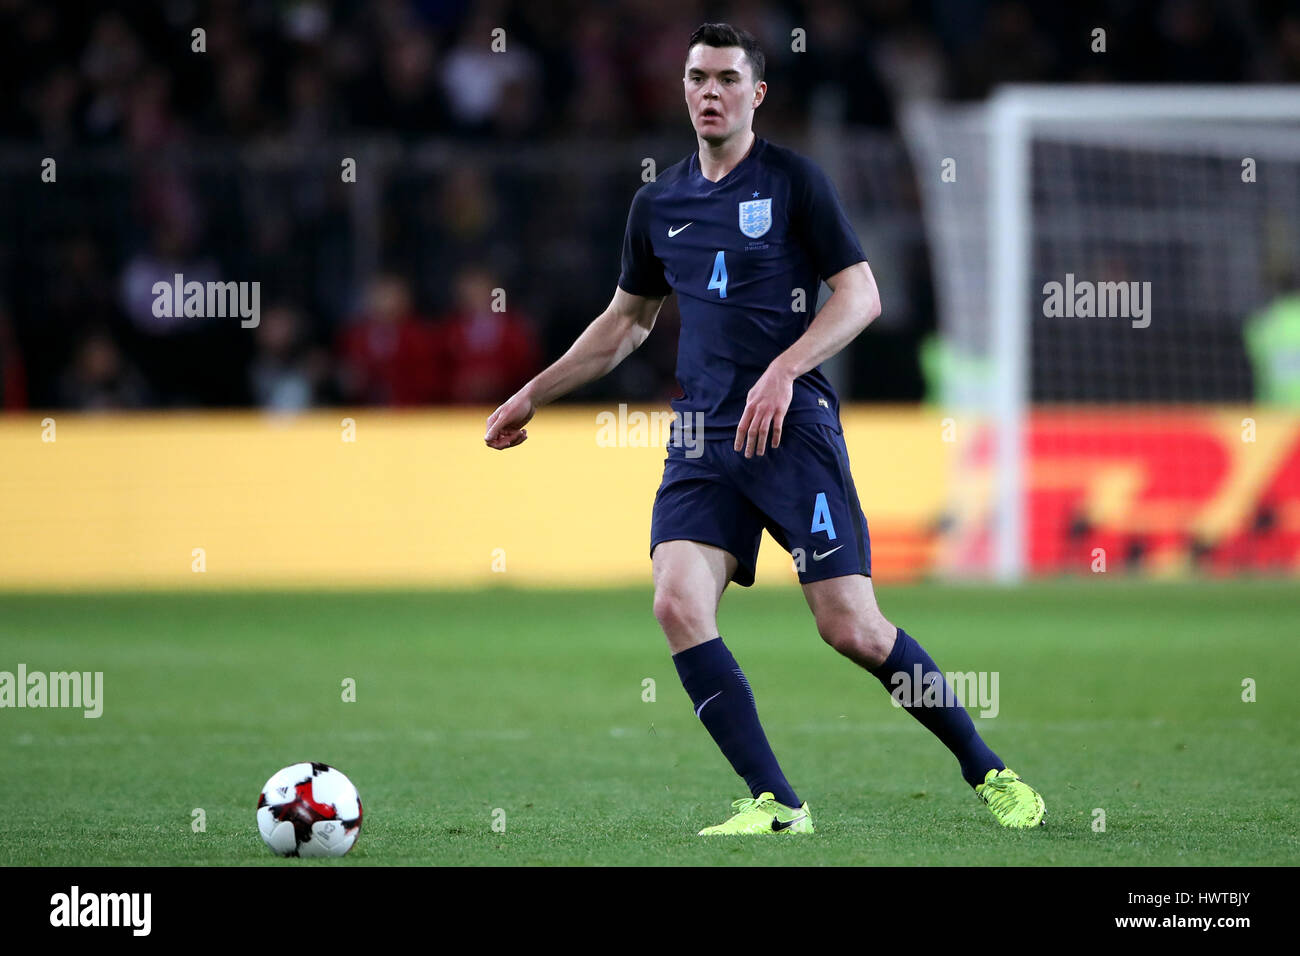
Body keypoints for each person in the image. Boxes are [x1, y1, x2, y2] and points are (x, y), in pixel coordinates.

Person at [485, 23, 1044, 835]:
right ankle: (778, 803)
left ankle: (989, 771)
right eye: (695, 78)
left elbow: (860, 297)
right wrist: (534, 391)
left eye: (725, 79)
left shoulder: (795, 183)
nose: (708, 92)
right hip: (703, 439)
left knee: (849, 627)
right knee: (677, 603)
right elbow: (626, 324)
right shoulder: (659, 202)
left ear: (757, 94)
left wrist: (784, 370)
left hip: (792, 430)